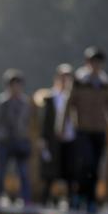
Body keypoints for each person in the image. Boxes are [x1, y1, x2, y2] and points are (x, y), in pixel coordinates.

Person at [59, 46, 108, 213]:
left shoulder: (105, 83)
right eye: (93, 62)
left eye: (99, 62)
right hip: (82, 129)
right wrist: (61, 125)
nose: (96, 66)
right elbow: (68, 103)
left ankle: (91, 199)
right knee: (85, 163)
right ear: (87, 63)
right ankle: (79, 194)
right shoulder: (79, 81)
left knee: (95, 166)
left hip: (99, 129)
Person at [0, 69, 32, 205]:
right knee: (1, 172)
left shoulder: (26, 103)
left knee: (23, 172)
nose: (16, 88)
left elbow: (28, 123)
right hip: (5, 142)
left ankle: (26, 200)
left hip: (20, 141)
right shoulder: (1, 102)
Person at [39, 64, 76, 205]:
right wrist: (43, 139)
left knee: (70, 171)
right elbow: (46, 121)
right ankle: (45, 199)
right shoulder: (51, 97)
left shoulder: (75, 97)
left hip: (70, 139)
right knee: (50, 171)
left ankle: (71, 199)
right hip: (54, 139)